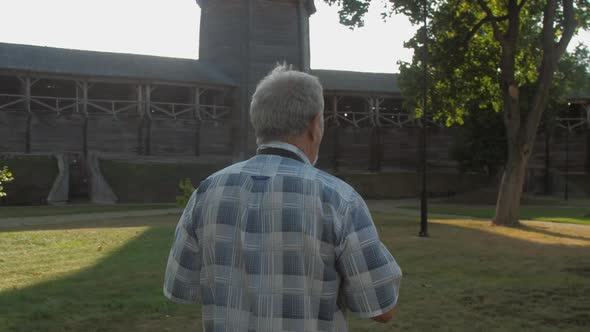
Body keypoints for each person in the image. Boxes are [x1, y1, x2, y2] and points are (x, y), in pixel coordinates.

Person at [163, 64, 402, 331]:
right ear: (314, 125)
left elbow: (180, 287)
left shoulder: (207, 191)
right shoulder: (338, 200)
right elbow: (383, 308)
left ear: (259, 122)